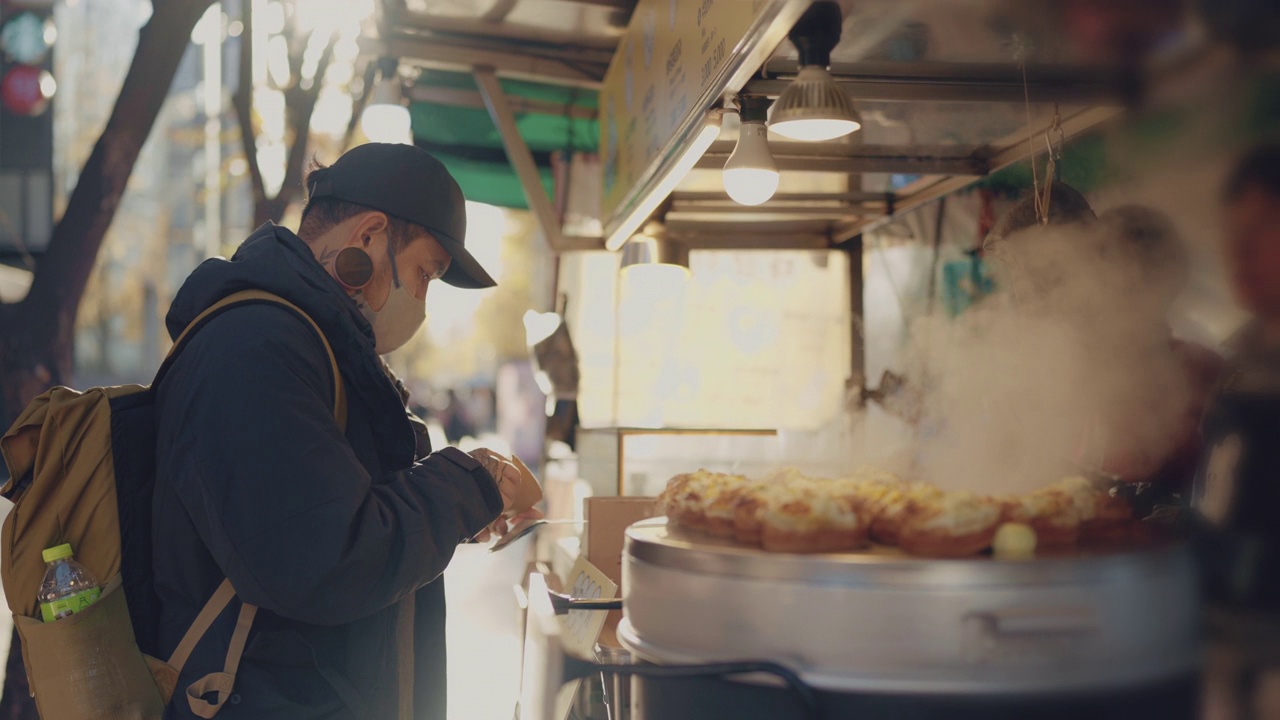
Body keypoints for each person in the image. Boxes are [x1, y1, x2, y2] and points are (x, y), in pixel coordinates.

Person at [152, 143, 533, 719]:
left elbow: (334, 506)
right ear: (371, 237)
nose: (425, 301)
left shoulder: (304, 345)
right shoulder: (254, 347)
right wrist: (465, 486)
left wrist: (462, 507)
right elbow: (324, 559)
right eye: (425, 273)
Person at [1191, 142, 1280, 720]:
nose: (1239, 251)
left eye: (1263, 229)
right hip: (1225, 644)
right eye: (1233, 232)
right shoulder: (1239, 361)